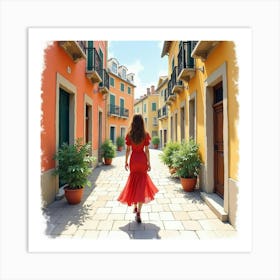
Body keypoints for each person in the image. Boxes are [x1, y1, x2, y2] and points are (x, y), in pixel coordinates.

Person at [118, 114, 158, 223]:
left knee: (133, 183)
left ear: (133, 123)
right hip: (142, 160)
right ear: (142, 123)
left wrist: (126, 161)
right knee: (141, 185)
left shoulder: (130, 135)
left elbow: (127, 150)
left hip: (134, 160)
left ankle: (135, 206)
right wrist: (149, 162)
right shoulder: (145, 135)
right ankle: (139, 212)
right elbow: (147, 150)